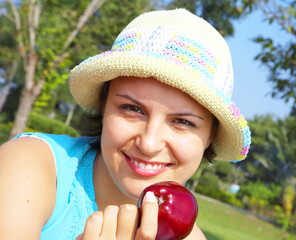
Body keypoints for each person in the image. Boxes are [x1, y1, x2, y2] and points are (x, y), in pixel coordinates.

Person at [0, 8, 251, 240]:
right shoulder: (28, 165)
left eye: (182, 122)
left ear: (210, 137)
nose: (149, 143)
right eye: (132, 109)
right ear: (103, 105)